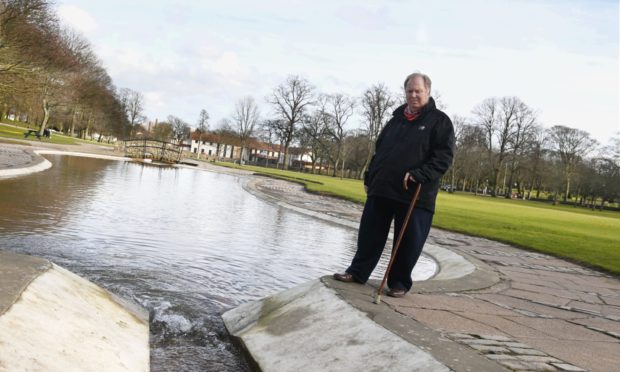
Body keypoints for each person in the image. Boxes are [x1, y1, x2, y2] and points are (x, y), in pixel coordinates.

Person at [333, 72, 455, 297]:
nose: (414, 95)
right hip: (382, 189)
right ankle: (358, 272)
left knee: (408, 241)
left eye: (418, 91)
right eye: (410, 91)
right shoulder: (396, 119)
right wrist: (370, 177)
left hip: (415, 194)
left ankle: (399, 282)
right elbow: (380, 152)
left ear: (428, 91)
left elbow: (443, 158)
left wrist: (420, 174)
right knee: (369, 234)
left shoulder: (440, 122)